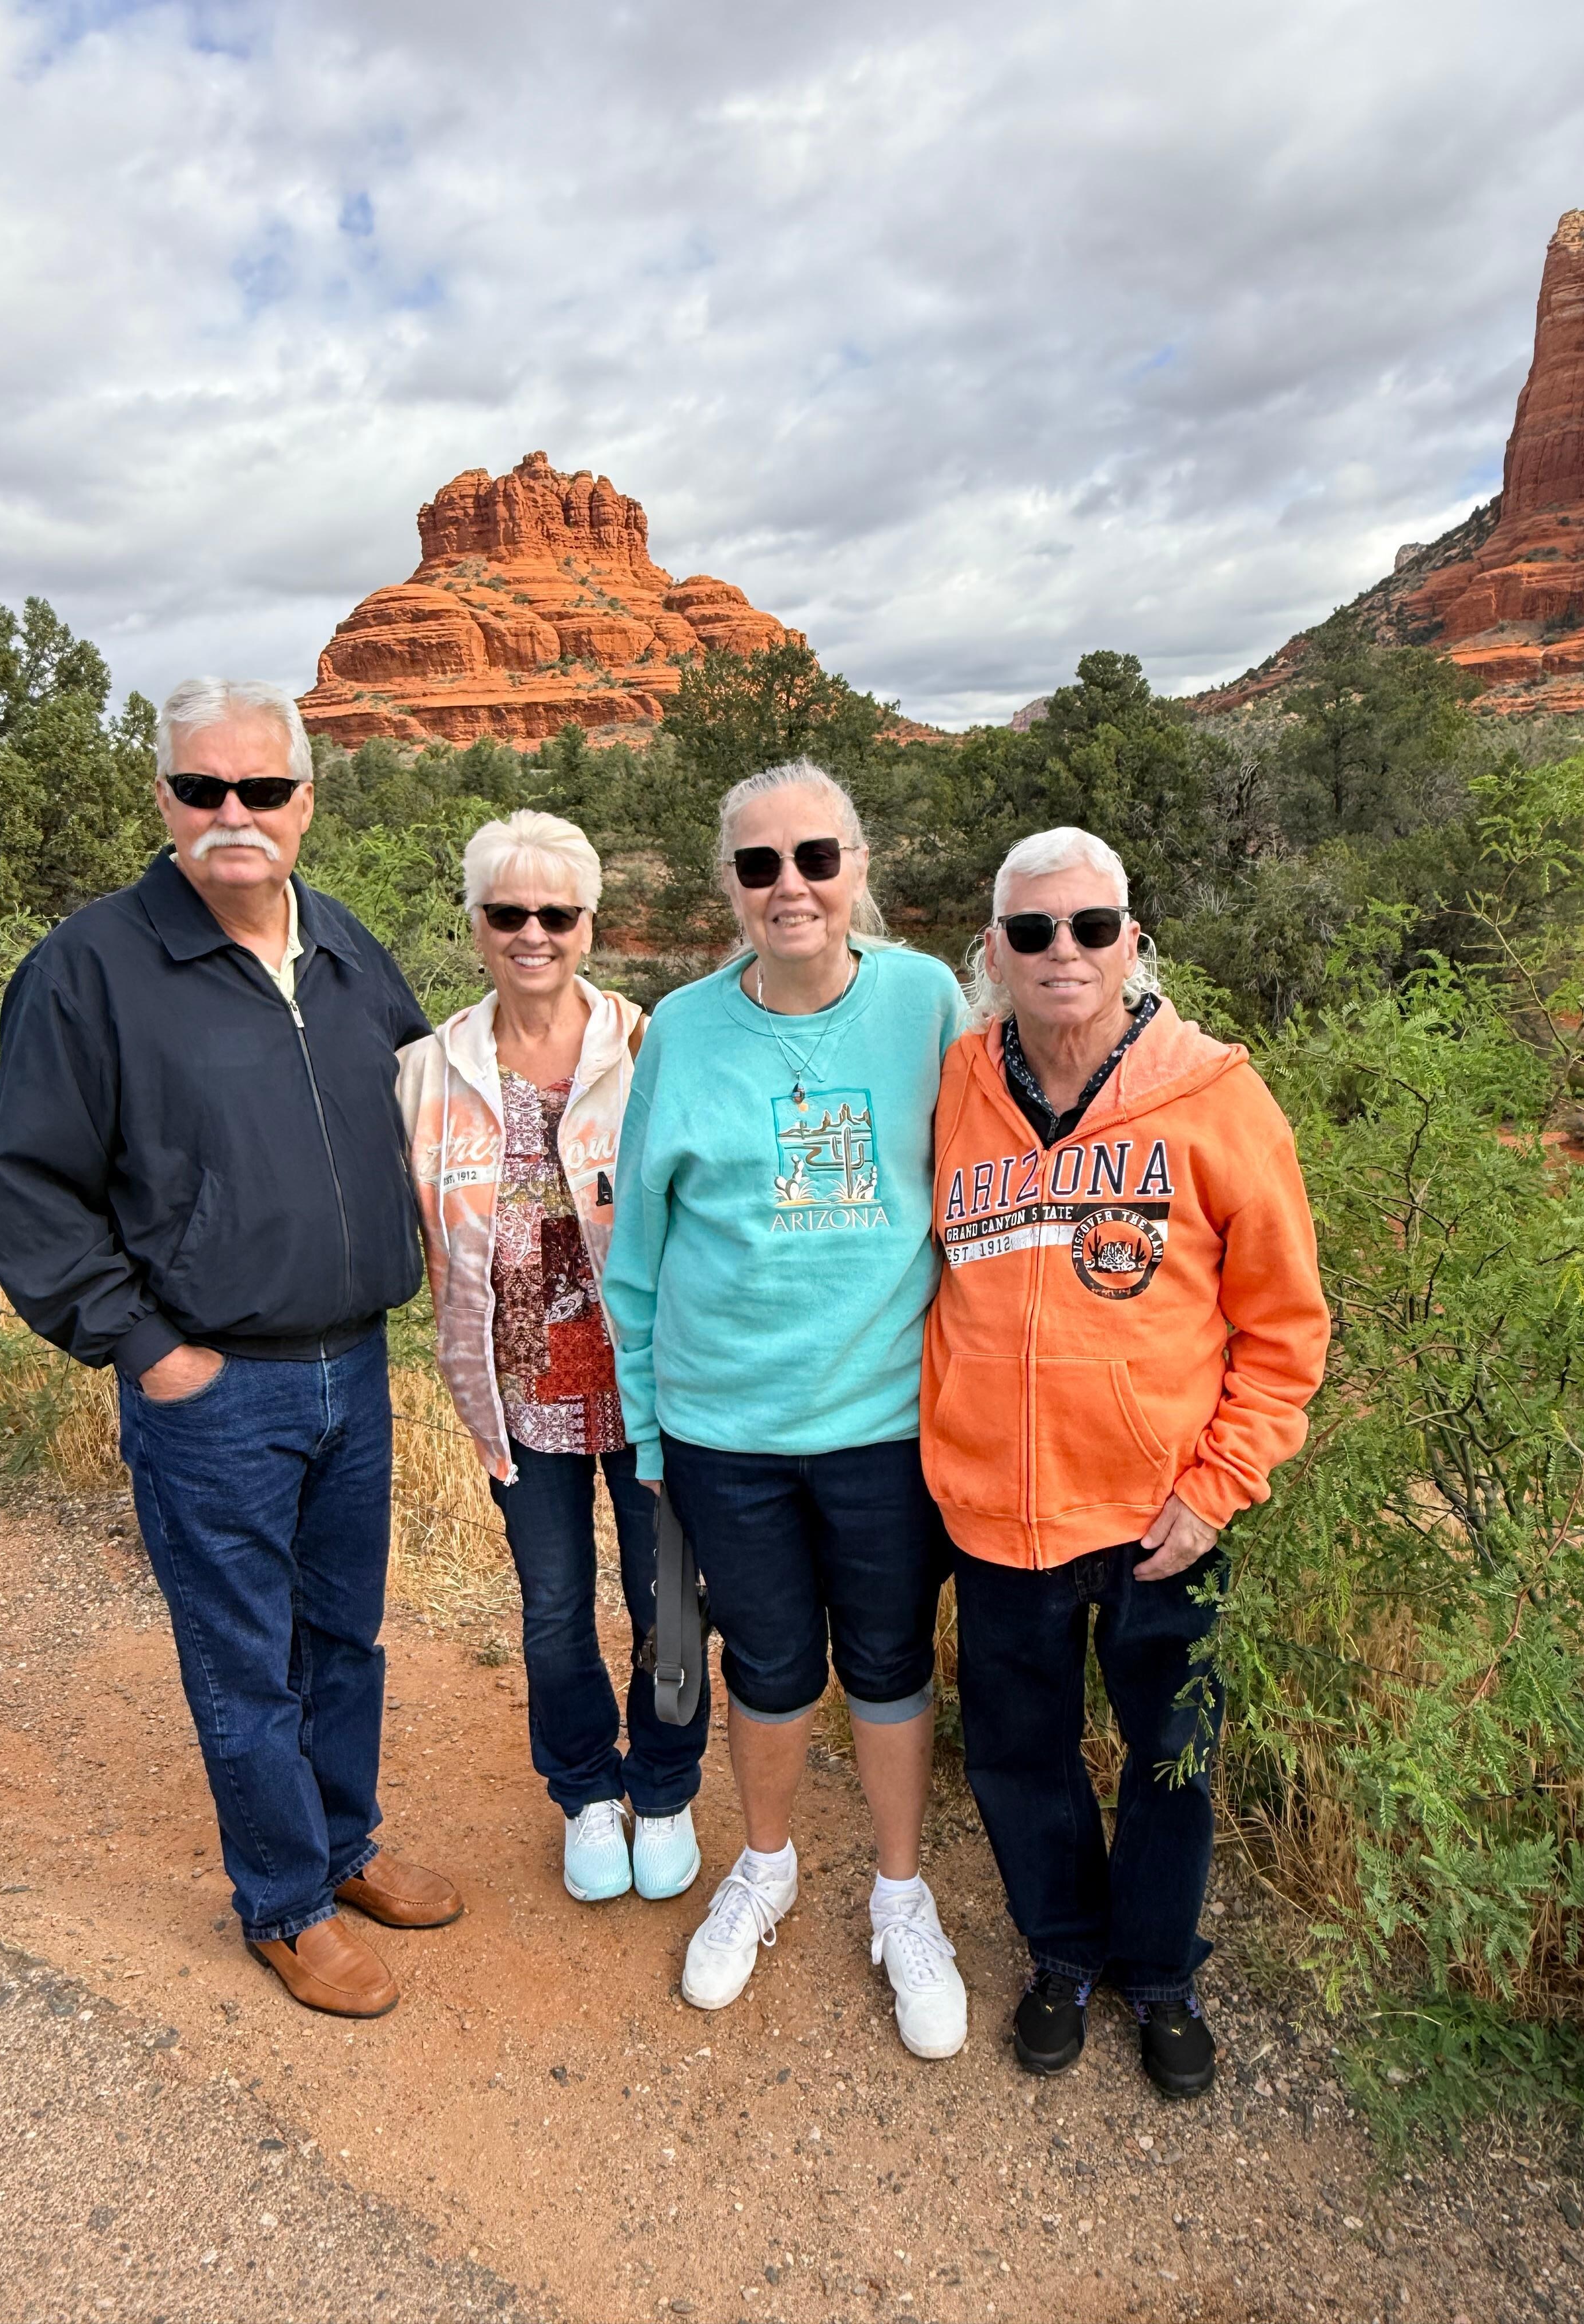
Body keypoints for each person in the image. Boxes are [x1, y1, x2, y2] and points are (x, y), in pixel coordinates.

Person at [0, 677, 461, 2020]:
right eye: (204, 789)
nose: (233, 814)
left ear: (307, 801)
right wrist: (143, 1347)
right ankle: (285, 1902)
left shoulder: (349, 946)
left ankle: (346, 1845)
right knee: (244, 1657)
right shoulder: (91, 967)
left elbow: (440, 1100)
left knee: (345, 1637)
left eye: (262, 789)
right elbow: (33, 1193)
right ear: (166, 800)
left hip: (353, 1366)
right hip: (211, 1384)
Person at [922, 827, 1329, 2094]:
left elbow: (1284, 1327)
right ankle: (1063, 1955)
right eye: (1033, 931)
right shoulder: (954, 1084)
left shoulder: (1213, 1095)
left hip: (1165, 1515)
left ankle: (1158, 1977)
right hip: (995, 1513)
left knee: (1171, 1764)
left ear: (1131, 942)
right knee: (1016, 1756)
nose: (1063, 954)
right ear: (992, 951)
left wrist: (1217, 1490)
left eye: (1091, 928)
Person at [603, 759, 969, 2061]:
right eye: (760, 867)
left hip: (883, 1424)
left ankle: (900, 1894)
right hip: (726, 1433)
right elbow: (636, 1252)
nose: (791, 886)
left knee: (886, 1665)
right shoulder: (686, 1031)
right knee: (764, 1671)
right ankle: (763, 1869)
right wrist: (648, 1430)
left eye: (816, 857)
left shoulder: (926, 1001)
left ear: (860, 865)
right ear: (731, 888)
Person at [398, 810, 706, 1906]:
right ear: (478, 923)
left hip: (652, 1392)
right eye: (508, 912)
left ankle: (664, 1788)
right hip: (519, 1399)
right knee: (555, 1610)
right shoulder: (429, 1071)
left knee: (668, 1600)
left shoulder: (655, 1047)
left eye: (556, 913)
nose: (533, 933)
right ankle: (584, 1791)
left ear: (590, 922)